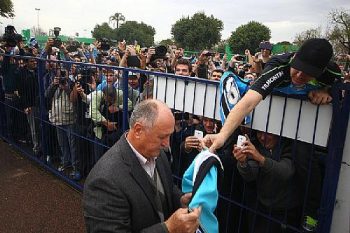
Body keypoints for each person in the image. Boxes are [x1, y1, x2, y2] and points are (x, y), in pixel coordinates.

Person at [83, 99, 201, 233]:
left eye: (169, 136)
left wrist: (180, 200)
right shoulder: (104, 181)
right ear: (138, 130)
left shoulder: (158, 153)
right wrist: (168, 229)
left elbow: (166, 187)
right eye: (162, 137)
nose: (167, 144)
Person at [203, 38, 335, 152]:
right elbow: (248, 102)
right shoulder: (278, 64)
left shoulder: (332, 71)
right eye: (297, 67)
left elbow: (338, 87)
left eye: (307, 72)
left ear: (322, 70)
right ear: (294, 57)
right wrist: (222, 135)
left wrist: (326, 90)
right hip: (269, 120)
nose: (300, 75)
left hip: (303, 126)